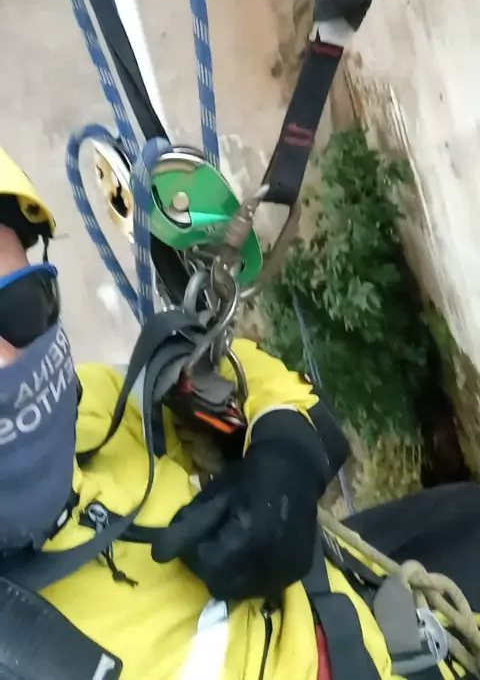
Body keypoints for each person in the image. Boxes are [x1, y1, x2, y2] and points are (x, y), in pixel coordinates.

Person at [0, 145, 479, 680]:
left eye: (18, 306)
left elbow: (227, 371)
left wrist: (287, 453)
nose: (6, 360)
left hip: (370, 599)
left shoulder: (91, 407)